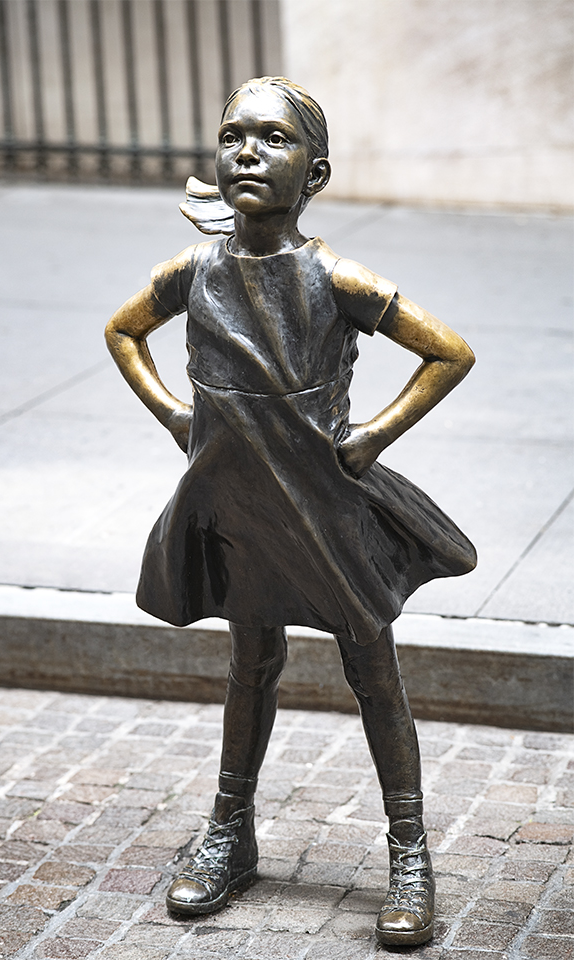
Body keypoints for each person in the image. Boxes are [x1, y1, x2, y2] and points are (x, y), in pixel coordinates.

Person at [105, 77, 476, 947]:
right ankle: (230, 831)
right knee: (249, 663)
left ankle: (410, 851)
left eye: (274, 139)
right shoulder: (192, 272)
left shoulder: (333, 277)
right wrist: (172, 413)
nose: (247, 152)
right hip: (234, 502)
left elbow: (448, 352)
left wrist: (372, 437)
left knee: (372, 670)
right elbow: (123, 331)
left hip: (322, 506)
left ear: (315, 173)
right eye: (234, 135)